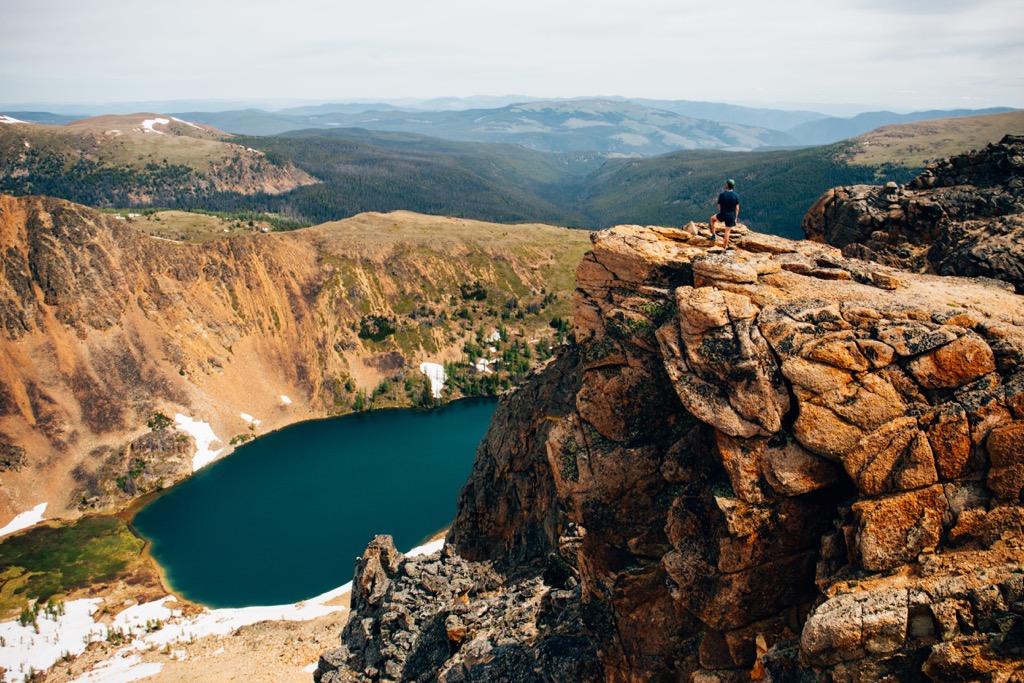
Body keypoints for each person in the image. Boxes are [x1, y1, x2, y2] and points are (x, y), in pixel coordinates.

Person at [710, 179, 740, 249]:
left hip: (723, 214)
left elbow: (719, 207)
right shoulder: (736, 196)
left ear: (727, 185)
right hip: (731, 216)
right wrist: (735, 218)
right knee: (727, 232)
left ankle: (714, 235)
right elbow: (737, 208)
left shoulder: (722, 195)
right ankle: (724, 247)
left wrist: (722, 213)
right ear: (733, 186)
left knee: (712, 219)